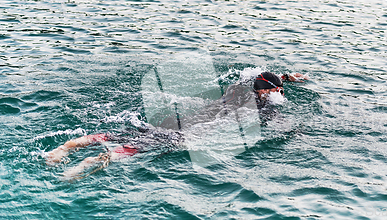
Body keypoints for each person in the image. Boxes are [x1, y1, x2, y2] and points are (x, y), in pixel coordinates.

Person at [45, 72, 307, 179]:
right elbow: (276, 117)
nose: (280, 95)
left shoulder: (237, 88)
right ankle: (84, 166)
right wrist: (295, 132)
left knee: (124, 134)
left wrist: (288, 76)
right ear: (266, 93)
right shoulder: (261, 105)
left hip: (181, 119)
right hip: (191, 131)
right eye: (278, 91)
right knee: (135, 149)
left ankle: (66, 147)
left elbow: (261, 77)